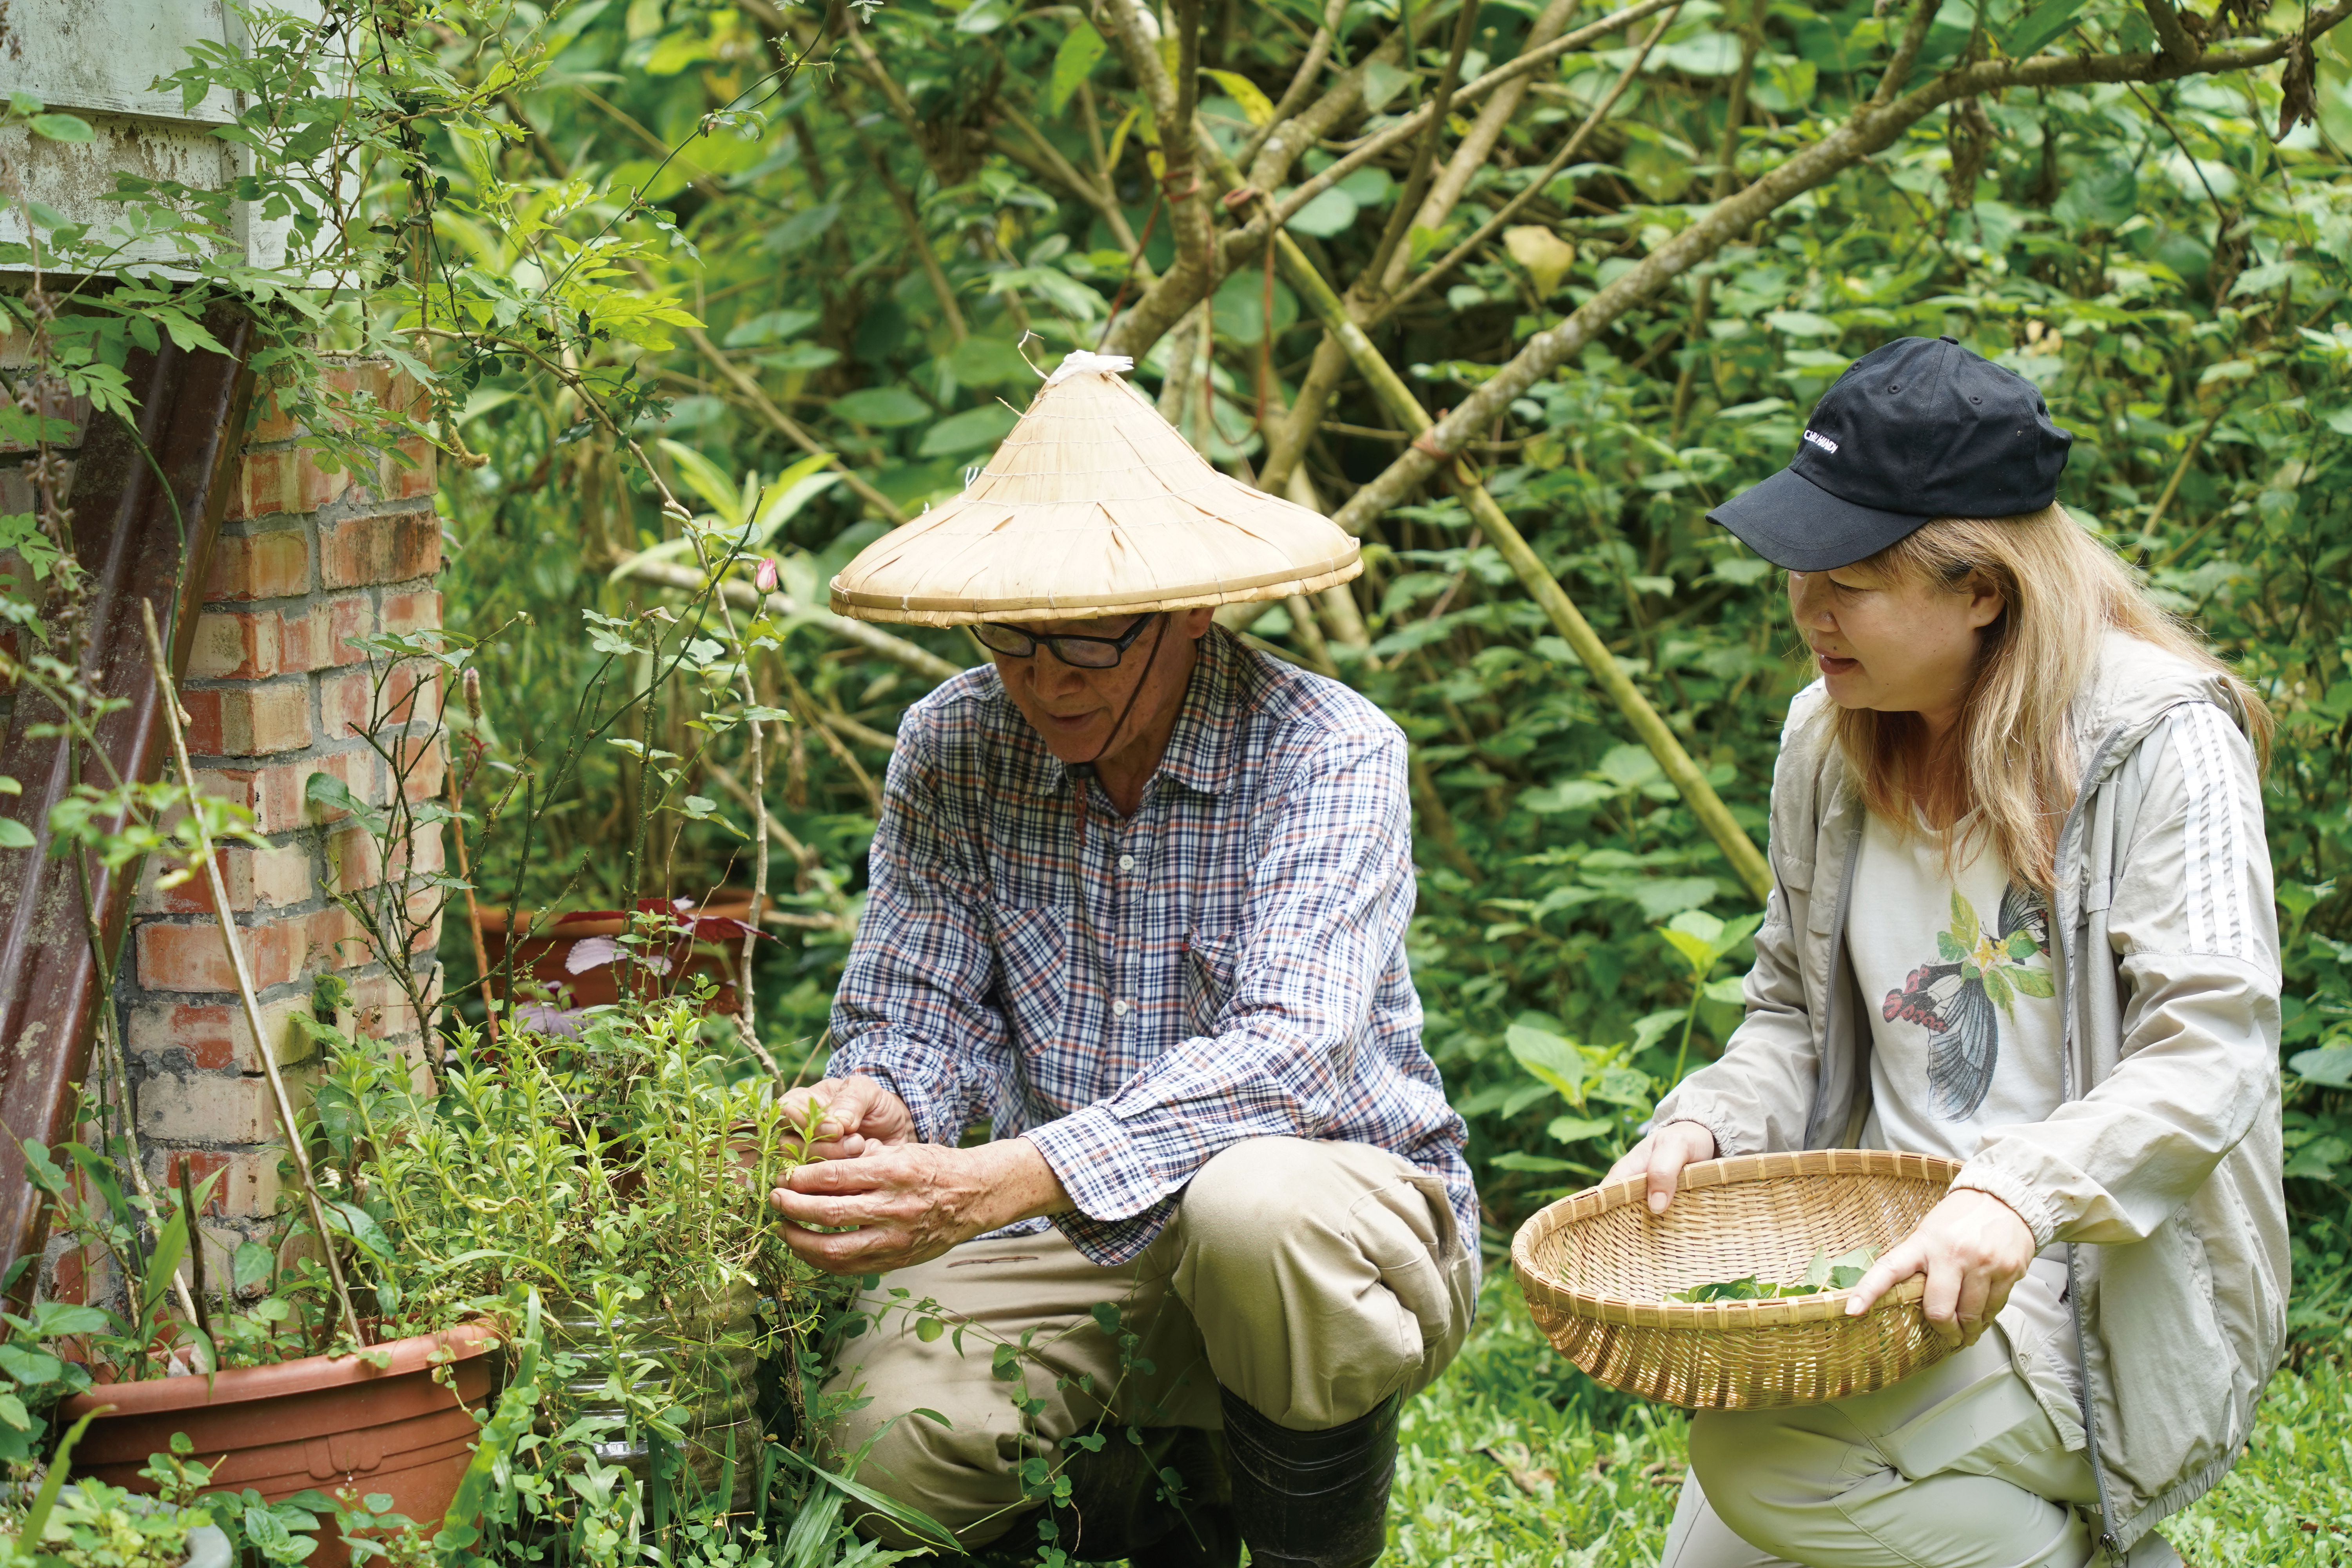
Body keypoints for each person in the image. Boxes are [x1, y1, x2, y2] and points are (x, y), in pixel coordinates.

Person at [767, 351, 1477, 1568]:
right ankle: (1146, 1514)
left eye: (1088, 645)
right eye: (1012, 640)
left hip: (1318, 1218)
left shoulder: (1327, 752)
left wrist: (1001, 1177)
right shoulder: (953, 744)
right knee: (885, 1451)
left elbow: (1291, 1057)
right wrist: (882, 1101)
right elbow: (921, 1014)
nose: (1044, 680)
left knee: (1256, 1208)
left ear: (1190, 613)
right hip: (1053, 1236)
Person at [1610, 336, 2285, 1568]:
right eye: (1798, 570)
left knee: (1765, 1464)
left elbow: (2216, 1053)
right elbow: (1790, 1017)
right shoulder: (1829, 735)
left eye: (1847, 581)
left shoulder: (2162, 740)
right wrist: (1710, 1122)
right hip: (1877, 1269)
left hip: (2083, 1291)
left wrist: (2014, 1194)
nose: (1807, 610)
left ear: (1984, 588)